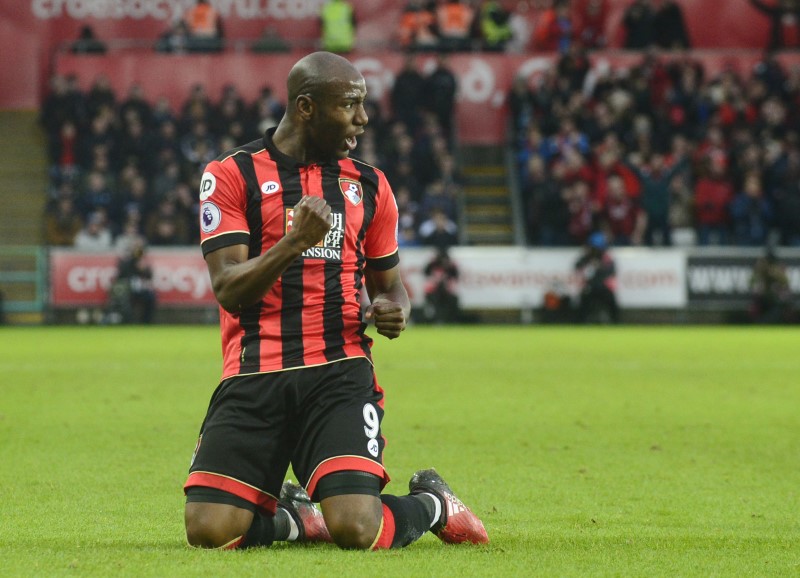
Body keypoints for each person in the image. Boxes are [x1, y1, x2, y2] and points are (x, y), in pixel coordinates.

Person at [184, 51, 488, 551]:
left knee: (357, 528)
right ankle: (301, 520)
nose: (363, 119)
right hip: (254, 373)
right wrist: (292, 242)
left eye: (363, 105)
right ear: (306, 107)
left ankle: (433, 504)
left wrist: (397, 310)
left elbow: (391, 285)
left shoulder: (369, 186)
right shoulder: (231, 175)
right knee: (208, 531)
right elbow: (229, 289)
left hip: (337, 374)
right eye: (350, 105)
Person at [574, 232, 619, 323]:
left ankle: (615, 322)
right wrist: (589, 266)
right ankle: (581, 322)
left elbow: (612, 270)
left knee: (611, 299)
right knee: (583, 300)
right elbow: (577, 267)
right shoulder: (586, 258)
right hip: (590, 287)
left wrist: (600, 267)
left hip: (603, 287)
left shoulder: (606, 258)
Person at [749, 248, 794, 323]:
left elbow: (785, 283)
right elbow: (752, 283)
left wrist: (776, 275)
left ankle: (780, 322)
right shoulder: (761, 268)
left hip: (775, 297)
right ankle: (759, 322)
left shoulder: (778, 269)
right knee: (755, 303)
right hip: (763, 296)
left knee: (786, 303)